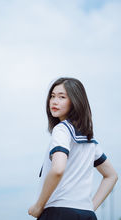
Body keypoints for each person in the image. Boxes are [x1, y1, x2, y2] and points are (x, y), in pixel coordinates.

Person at [28, 77, 118, 220]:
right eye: (52, 96)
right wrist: (90, 208)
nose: (54, 101)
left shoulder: (62, 130)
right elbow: (111, 175)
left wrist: (38, 206)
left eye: (62, 97)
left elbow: (58, 169)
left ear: (75, 101)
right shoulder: (89, 138)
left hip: (58, 212)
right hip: (86, 214)